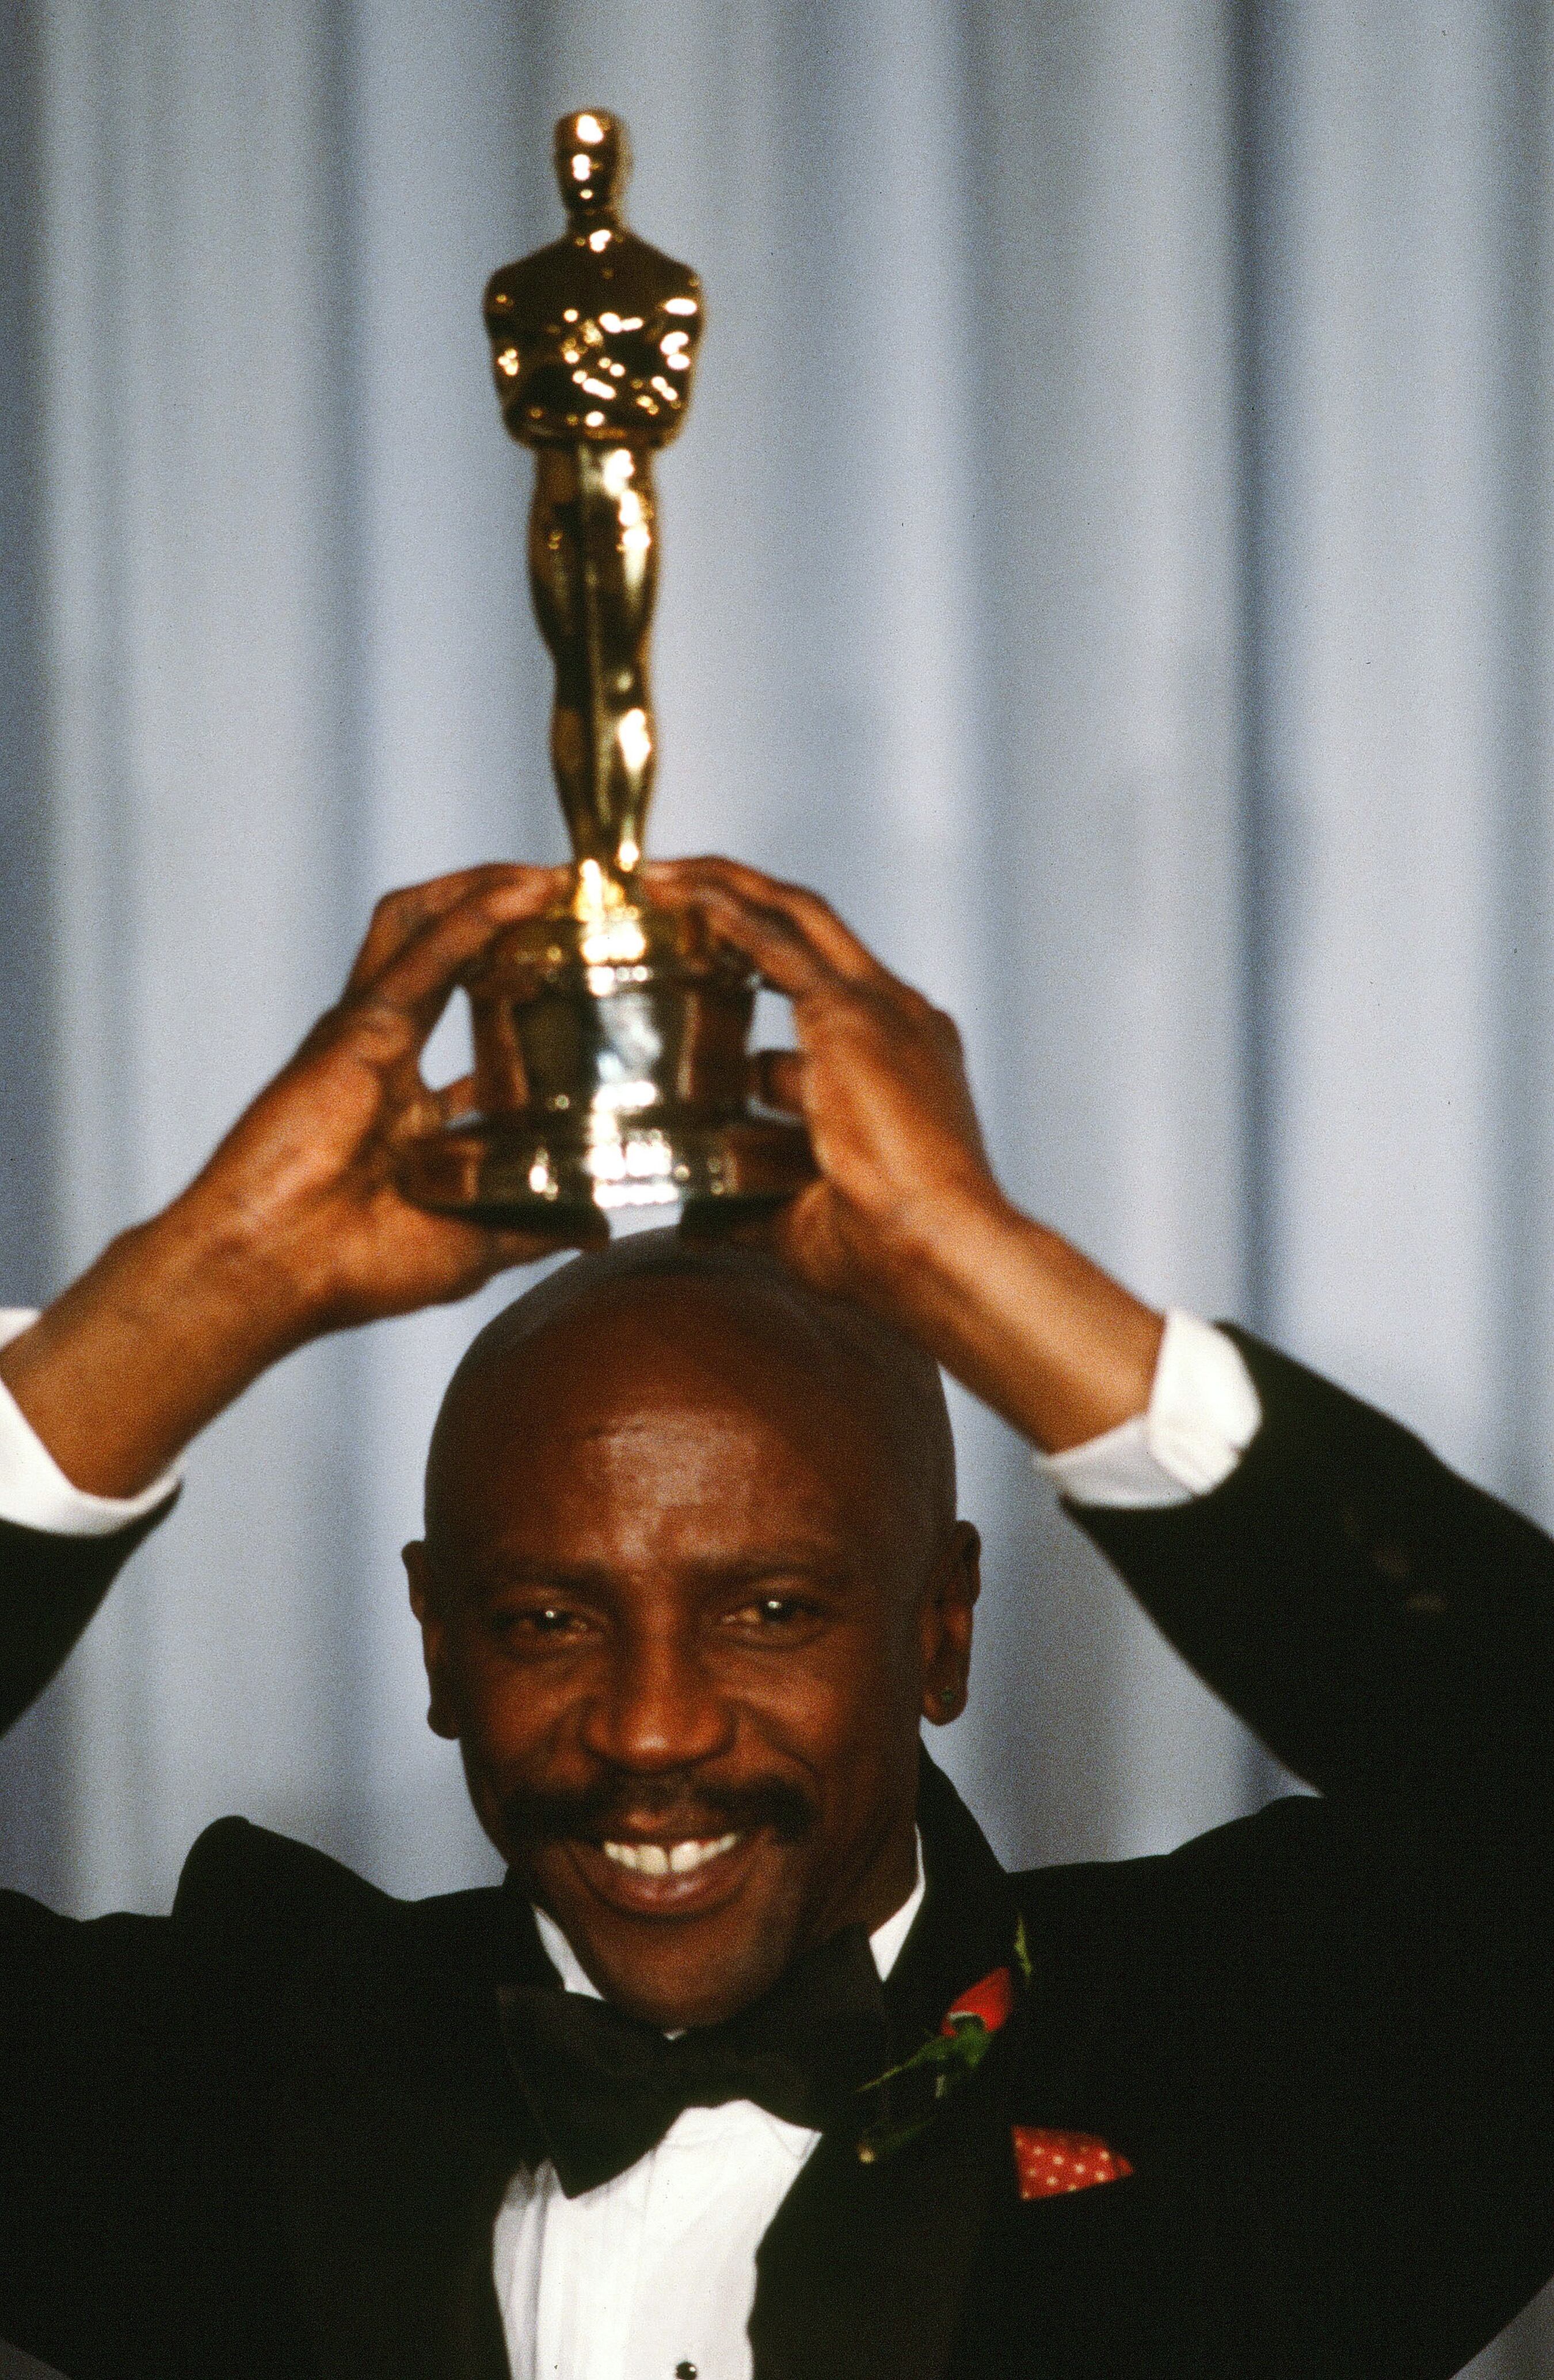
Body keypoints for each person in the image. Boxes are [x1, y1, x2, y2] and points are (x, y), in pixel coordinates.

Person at [1, 854, 1552, 2380]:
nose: (652, 1726)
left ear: (938, 1630)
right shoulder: (224, 2076)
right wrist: (206, 1285)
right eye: (549, 1619)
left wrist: (975, 1267)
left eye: (767, 1610)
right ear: (435, 1644)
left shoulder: (1268, 2064)